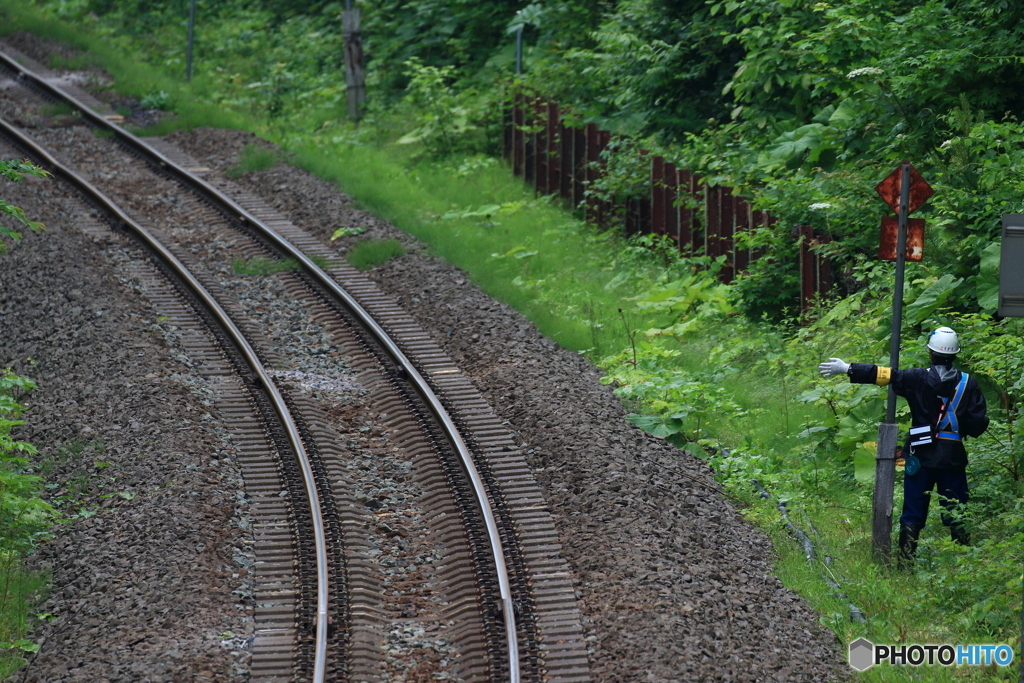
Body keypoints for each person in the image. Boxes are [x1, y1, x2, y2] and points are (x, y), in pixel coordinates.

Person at [818, 327, 989, 567]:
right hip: (952, 457)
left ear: (931, 353)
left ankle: (905, 564)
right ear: (954, 354)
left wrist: (847, 368)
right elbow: (978, 423)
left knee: (913, 511)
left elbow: (886, 374)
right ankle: (963, 565)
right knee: (956, 510)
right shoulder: (968, 383)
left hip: (919, 455)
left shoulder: (916, 377)